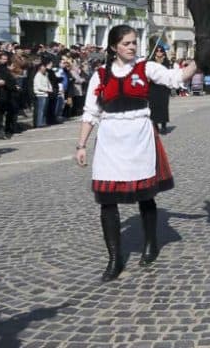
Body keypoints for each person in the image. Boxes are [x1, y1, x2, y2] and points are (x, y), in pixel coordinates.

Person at [75, 24, 199, 281]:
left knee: (145, 195)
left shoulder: (147, 67)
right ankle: (114, 258)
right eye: (127, 43)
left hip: (139, 135)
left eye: (134, 43)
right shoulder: (100, 75)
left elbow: (177, 78)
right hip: (110, 138)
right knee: (107, 200)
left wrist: (200, 60)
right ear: (113, 47)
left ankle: (151, 243)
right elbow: (90, 113)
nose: (132, 47)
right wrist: (81, 145)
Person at [148, 46, 171, 134]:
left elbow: (166, 72)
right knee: (153, 106)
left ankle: (164, 125)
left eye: (161, 51)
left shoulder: (166, 61)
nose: (159, 53)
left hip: (163, 87)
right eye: (157, 51)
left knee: (163, 106)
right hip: (153, 87)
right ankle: (155, 125)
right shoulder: (151, 61)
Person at [32, 60, 52, 128]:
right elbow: (39, 86)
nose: (44, 69)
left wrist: (50, 88)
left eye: (45, 68)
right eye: (43, 68)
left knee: (44, 109)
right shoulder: (37, 75)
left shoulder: (45, 75)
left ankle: (43, 122)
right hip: (40, 94)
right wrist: (47, 90)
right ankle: (39, 123)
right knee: (40, 110)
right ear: (39, 68)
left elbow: (48, 82)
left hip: (46, 94)